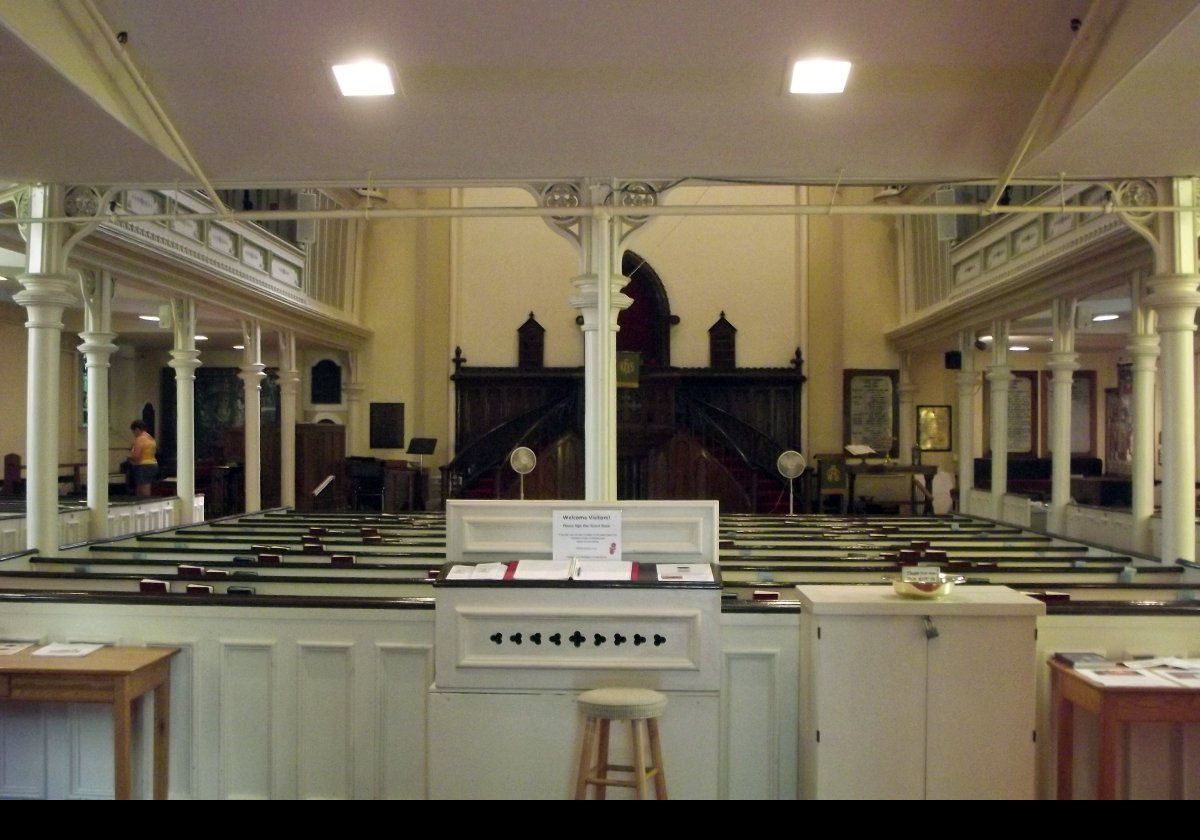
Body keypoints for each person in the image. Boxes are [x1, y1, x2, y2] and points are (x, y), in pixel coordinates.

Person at [129, 420, 158, 497]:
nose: (134, 435)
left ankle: (144, 506)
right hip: (153, 464)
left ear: (137, 429)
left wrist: (130, 458)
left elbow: (137, 456)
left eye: (134, 432)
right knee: (145, 486)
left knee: (143, 490)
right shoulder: (151, 438)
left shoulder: (140, 439)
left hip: (143, 465)